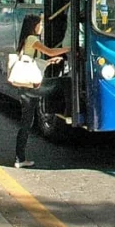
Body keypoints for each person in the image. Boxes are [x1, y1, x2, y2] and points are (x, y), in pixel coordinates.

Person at [14, 14, 69, 168]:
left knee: (26, 122)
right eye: (40, 24)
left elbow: (33, 62)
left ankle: (20, 158)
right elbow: (50, 51)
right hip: (29, 88)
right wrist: (71, 48)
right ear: (34, 26)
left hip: (26, 87)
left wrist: (49, 62)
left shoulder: (27, 39)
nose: (42, 27)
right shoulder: (32, 39)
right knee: (60, 85)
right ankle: (60, 110)